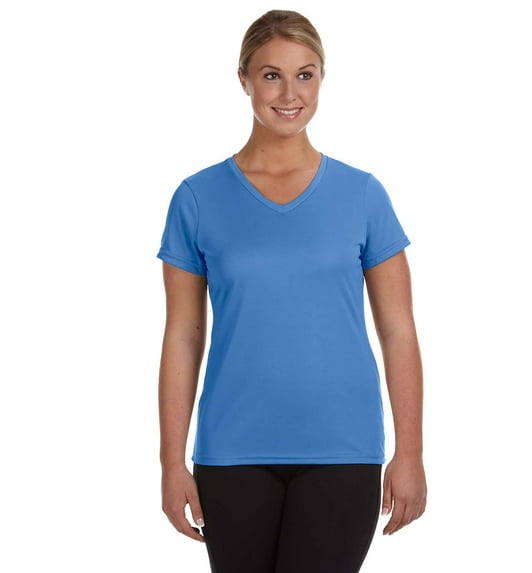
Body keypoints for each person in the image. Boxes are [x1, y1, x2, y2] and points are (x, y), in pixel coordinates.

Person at [157, 9, 426, 573]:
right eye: (271, 75)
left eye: (305, 75)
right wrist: (170, 462)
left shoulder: (363, 195)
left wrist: (411, 452)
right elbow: (182, 336)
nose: (289, 93)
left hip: (343, 448)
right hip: (231, 451)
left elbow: (399, 331)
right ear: (244, 80)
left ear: (322, 79)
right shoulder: (197, 198)